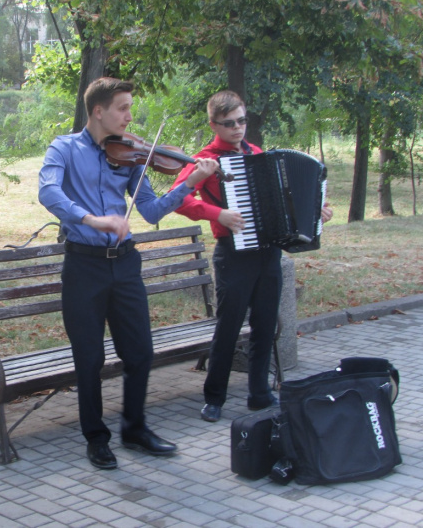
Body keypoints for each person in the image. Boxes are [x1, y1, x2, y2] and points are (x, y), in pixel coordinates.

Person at [38, 77, 220, 469]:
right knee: (88, 358)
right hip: (84, 265)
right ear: (98, 111)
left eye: (130, 108)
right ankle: (96, 437)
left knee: (140, 352)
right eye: (122, 108)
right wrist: (93, 219)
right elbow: (49, 193)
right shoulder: (64, 149)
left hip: (124, 263)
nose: (129, 116)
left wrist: (191, 180)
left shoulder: (132, 154)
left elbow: (151, 211)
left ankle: (135, 429)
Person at [170, 90, 333, 423]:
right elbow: (179, 199)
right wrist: (218, 214)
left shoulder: (259, 155)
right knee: (228, 328)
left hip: (269, 252)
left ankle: (260, 393)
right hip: (234, 255)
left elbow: (283, 203)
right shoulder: (204, 160)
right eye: (229, 123)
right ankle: (214, 397)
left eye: (242, 121)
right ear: (214, 124)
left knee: (265, 324)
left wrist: (316, 211)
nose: (237, 128)